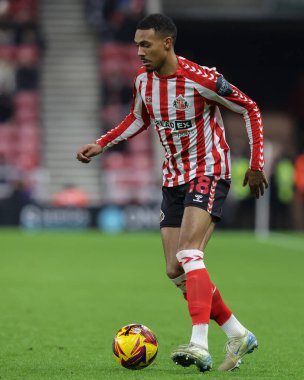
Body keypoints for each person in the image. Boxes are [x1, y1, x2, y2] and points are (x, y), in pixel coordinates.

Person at [76, 14, 268, 372]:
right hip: (173, 178)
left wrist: (256, 164)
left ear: (167, 42)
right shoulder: (144, 82)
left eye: (145, 44)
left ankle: (199, 344)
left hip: (209, 171)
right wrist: (102, 143)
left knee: (190, 253)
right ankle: (237, 332)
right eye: (136, 44)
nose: (138, 52)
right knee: (173, 269)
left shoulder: (201, 78)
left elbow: (249, 107)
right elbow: (138, 118)